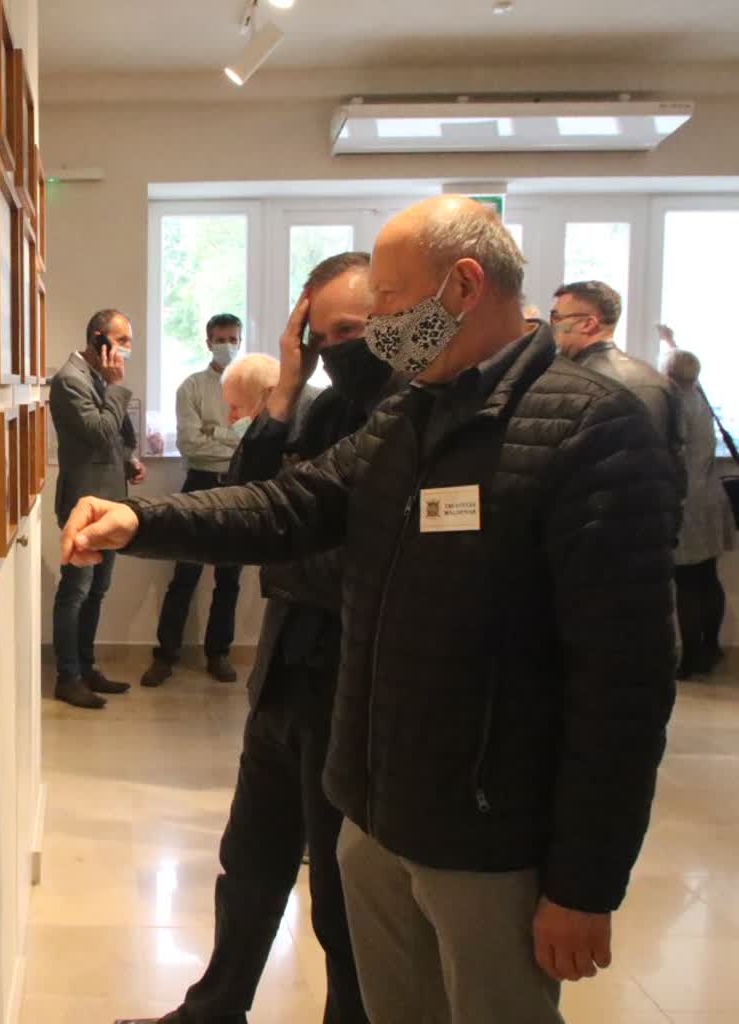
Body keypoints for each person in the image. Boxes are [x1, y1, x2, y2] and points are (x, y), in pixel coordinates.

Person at [67, 196, 680, 1024]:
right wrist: (142, 521)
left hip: (487, 835)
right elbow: (291, 505)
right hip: (374, 810)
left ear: (463, 285)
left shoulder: (591, 427)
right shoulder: (411, 413)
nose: (380, 329)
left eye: (388, 299)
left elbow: (624, 684)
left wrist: (583, 883)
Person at [117, 252, 388, 1024]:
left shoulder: (407, 414)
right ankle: (214, 1009)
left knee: (338, 893)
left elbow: (338, 551)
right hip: (286, 667)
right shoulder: (318, 410)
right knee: (249, 860)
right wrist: (287, 386)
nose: (337, 347)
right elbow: (253, 496)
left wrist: (290, 555)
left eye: (353, 330)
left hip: (356, 683)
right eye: (321, 332)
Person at [142, 316, 248, 687]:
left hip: (238, 485)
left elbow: (253, 441)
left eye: (233, 339)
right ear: (207, 342)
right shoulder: (191, 386)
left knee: (229, 579)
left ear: (240, 341)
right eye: (220, 339)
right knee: (185, 574)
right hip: (200, 483)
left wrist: (215, 431)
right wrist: (232, 439)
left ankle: (219, 654)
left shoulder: (252, 386)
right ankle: (165, 655)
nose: (226, 346)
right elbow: (190, 444)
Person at [48, 309, 145, 709]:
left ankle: (87, 668)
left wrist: (129, 460)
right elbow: (98, 432)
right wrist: (116, 387)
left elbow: (118, 434)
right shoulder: (69, 380)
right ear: (98, 340)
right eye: (122, 341)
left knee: (97, 591)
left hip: (109, 500)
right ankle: (68, 677)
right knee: (76, 591)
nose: (127, 349)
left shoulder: (97, 377)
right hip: (82, 503)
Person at [552, 281, 686, 492]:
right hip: (651, 503)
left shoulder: (565, 380)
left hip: (591, 503)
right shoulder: (658, 381)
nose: (552, 326)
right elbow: (676, 459)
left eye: (557, 317)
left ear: (588, 324)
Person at [665, 349, 734, 677]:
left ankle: (692, 658)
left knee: (687, 581)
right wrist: (669, 341)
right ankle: (711, 647)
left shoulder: (677, 404)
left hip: (687, 501)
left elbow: (673, 452)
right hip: (710, 496)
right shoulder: (700, 398)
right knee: (707, 576)